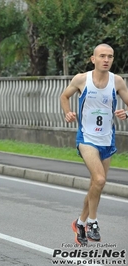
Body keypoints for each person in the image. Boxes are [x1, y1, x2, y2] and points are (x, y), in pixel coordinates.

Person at [60, 43, 128, 246]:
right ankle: (92, 221)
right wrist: (68, 112)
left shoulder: (117, 81)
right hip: (86, 137)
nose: (106, 60)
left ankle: (79, 222)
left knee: (95, 185)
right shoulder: (82, 79)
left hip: (107, 139)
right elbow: (64, 96)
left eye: (110, 56)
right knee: (99, 179)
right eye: (102, 56)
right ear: (93, 59)